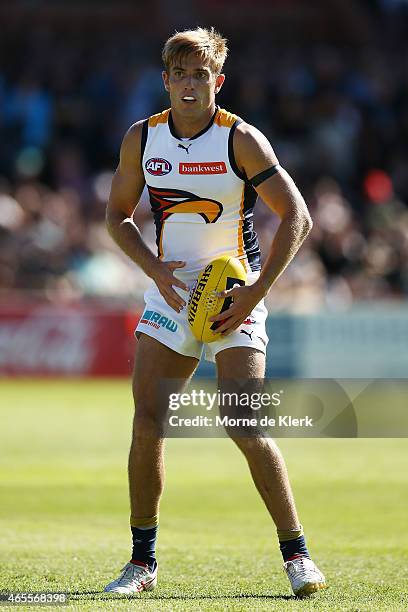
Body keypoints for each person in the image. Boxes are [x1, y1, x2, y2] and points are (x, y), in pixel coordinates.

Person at [104, 27, 326, 598]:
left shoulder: (240, 139)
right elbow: (118, 217)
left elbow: (296, 217)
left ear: (217, 82)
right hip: (170, 294)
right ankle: (142, 563)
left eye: (200, 74)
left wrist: (254, 294)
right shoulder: (141, 138)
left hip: (234, 294)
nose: (189, 83)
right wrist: (154, 270)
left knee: (244, 423)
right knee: (148, 419)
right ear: (166, 81)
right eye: (179, 73)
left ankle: (297, 555)